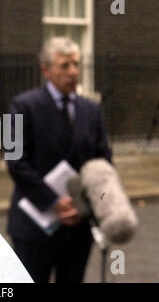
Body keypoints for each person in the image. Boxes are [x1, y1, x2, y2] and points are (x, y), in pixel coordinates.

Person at [6, 37, 112, 283]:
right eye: (65, 66)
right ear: (46, 69)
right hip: (34, 226)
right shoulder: (23, 105)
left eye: (76, 64)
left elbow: (103, 162)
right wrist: (54, 202)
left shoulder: (91, 109)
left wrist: (83, 205)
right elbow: (16, 162)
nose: (73, 71)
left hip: (78, 226)